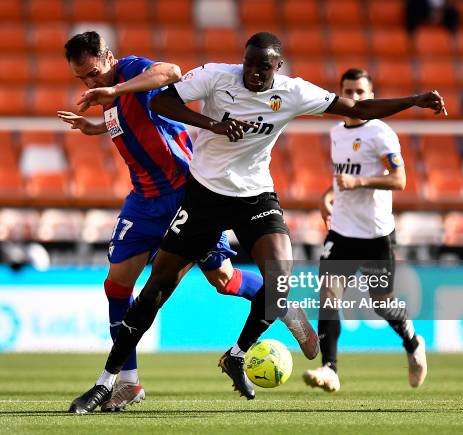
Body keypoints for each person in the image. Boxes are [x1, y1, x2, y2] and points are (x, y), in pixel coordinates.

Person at [68, 32, 446, 413]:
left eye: (262, 67)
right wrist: (212, 125)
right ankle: (108, 381)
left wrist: (414, 100)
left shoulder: (293, 91)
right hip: (205, 197)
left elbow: (358, 110)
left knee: (279, 281)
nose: (252, 73)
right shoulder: (217, 76)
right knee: (154, 291)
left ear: (277, 67)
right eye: (248, 65)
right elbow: (165, 101)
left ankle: (237, 354)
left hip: (255, 197)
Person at [57, 31, 318, 411]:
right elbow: (134, 125)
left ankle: (282, 304)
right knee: (116, 287)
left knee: (224, 280)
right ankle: (127, 382)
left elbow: (170, 72)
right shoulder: (108, 94)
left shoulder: (131, 72)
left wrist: (113, 92)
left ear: (109, 57)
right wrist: (96, 125)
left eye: (94, 73)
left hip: (185, 192)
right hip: (143, 201)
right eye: (82, 79)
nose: (90, 83)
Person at [302, 68, 427, 393]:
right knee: (328, 296)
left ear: (371, 96)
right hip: (342, 230)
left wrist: (359, 182)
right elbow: (341, 176)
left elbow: (399, 180)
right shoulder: (336, 132)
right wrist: (328, 195)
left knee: (381, 302)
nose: (355, 97)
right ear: (340, 92)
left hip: (376, 233)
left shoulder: (381, 133)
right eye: (349, 91)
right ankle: (329, 369)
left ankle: (413, 341)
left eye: (361, 92)